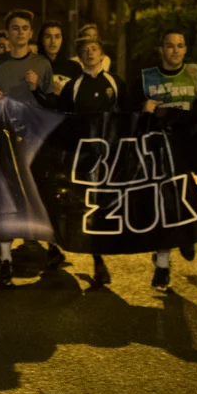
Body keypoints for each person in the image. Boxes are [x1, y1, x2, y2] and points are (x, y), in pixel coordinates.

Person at [0, 9, 60, 286]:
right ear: (8, 33)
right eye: (15, 28)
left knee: (41, 194)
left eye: (25, 28)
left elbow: (52, 104)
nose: (20, 32)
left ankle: (53, 246)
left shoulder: (41, 64)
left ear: (30, 32)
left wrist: (37, 88)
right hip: (3, 138)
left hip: (35, 140)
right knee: (5, 198)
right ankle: (5, 260)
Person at [56, 37, 128, 286]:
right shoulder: (73, 86)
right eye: (85, 50)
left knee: (107, 204)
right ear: (80, 57)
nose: (90, 53)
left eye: (94, 49)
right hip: (84, 156)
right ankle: (97, 260)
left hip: (111, 155)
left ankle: (108, 249)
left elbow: (130, 114)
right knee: (87, 205)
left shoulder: (115, 82)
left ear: (102, 54)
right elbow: (62, 118)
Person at [134, 30, 197, 289]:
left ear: (186, 49)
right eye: (170, 46)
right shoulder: (147, 78)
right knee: (164, 208)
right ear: (161, 49)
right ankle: (162, 265)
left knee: (187, 202)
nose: (175, 50)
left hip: (188, 151)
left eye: (180, 46)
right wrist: (143, 110)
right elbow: (128, 111)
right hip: (158, 153)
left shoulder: (196, 75)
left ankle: (187, 236)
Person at [39, 21, 82, 96]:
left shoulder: (74, 68)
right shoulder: (33, 66)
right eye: (48, 37)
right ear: (42, 40)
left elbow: (81, 97)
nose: (53, 41)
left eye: (57, 36)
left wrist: (64, 92)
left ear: (62, 39)